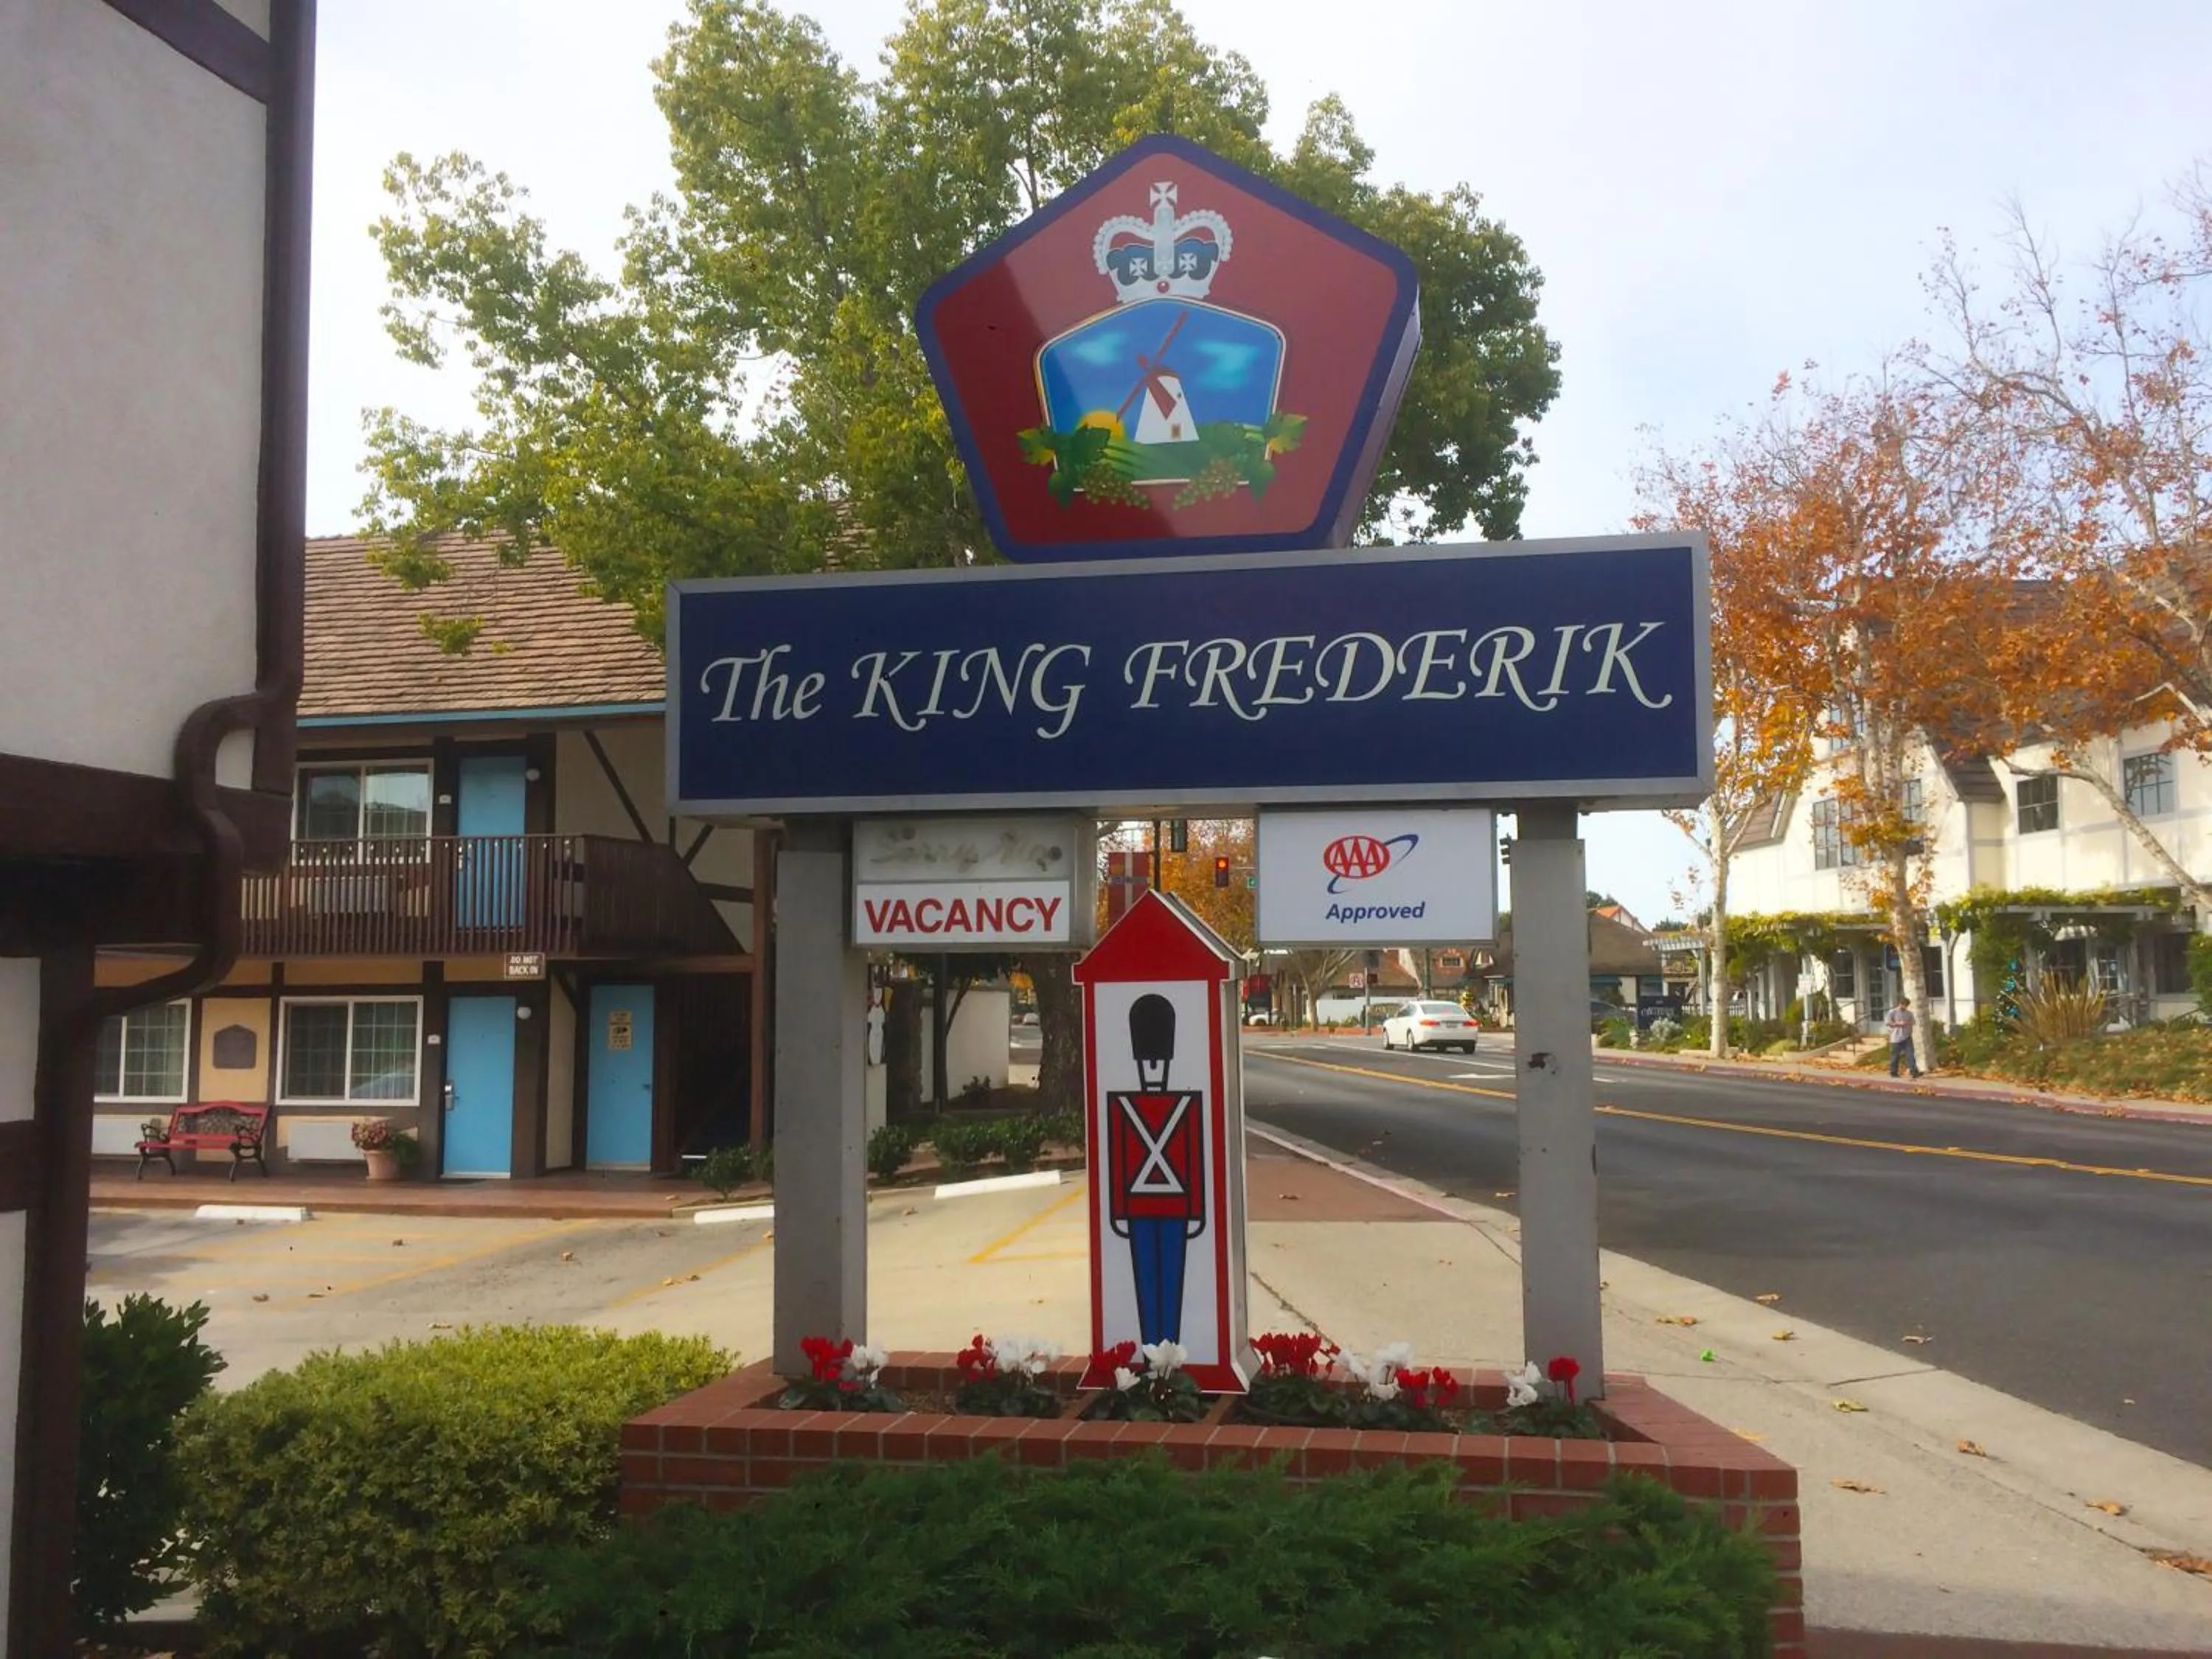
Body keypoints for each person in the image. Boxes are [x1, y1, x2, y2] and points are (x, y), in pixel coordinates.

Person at [1885, 997, 1921, 1079]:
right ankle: (1893, 1072)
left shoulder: (1909, 1013)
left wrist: (1908, 1025)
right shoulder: (1892, 1012)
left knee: (1910, 1054)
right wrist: (1898, 1024)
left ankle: (1913, 1071)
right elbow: (1888, 1023)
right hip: (1896, 1037)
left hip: (1906, 1036)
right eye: (1903, 1005)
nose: (1904, 1007)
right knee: (1895, 1056)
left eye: (1906, 1005)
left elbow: (1913, 1022)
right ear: (1900, 1004)